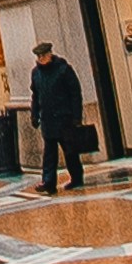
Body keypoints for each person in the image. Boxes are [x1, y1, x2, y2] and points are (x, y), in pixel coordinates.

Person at [30, 42, 86, 194]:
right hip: (48, 119)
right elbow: (36, 96)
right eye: (38, 56)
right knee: (49, 153)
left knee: (70, 151)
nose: (41, 59)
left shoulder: (63, 69)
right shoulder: (36, 73)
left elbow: (75, 93)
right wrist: (34, 114)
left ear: (50, 54)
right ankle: (49, 182)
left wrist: (76, 116)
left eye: (43, 55)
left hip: (64, 118)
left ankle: (76, 177)